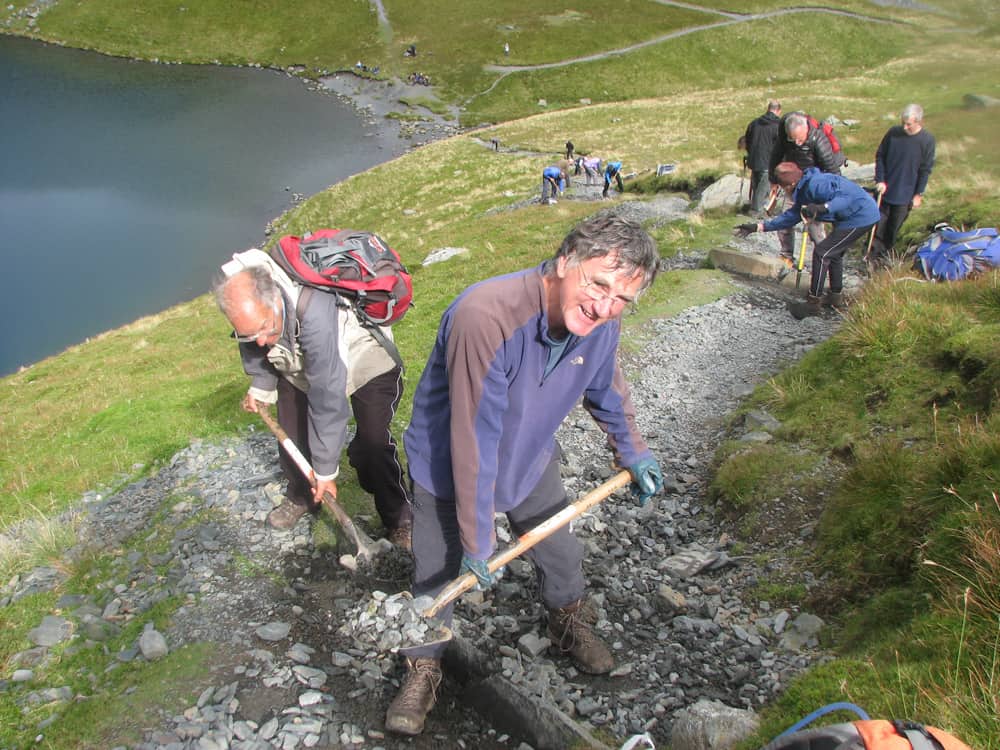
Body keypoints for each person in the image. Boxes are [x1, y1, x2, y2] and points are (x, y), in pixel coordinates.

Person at [384, 216, 665, 736]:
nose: (605, 306)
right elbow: (473, 433)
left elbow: (606, 384)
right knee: (436, 573)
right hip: (450, 469)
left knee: (559, 550)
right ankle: (423, 665)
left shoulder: (602, 320)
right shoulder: (485, 315)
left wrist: (634, 449)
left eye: (622, 298)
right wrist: (477, 534)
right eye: (598, 284)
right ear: (564, 263)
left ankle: (568, 621)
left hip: (529, 454)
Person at [212, 250, 413, 548]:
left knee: (373, 441)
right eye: (248, 334)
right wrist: (261, 385)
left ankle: (398, 517)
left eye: (264, 329)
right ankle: (302, 496)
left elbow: (328, 399)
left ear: (276, 301)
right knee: (291, 431)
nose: (260, 342)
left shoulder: (314, 311)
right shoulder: (253, 306)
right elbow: (255, 344)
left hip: (367, 357)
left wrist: (325, 472)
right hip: (301, 362)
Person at [735, 162, 879, 319]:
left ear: (790, 184)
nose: (783, 191)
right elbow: (790, 217)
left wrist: (822, 208)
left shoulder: (816, 184)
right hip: (849, 217)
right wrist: (757, 227)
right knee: (833, 253)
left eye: (783, 188)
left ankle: (813, 303)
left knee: (822, 252)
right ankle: (835, 298)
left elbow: (846, 197)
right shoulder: (803, 190)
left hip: (861, 216)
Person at [768, 112, 844, 264]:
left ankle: (824, 258)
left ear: (806, 129)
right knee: (785, 220)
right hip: (791, 184)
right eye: (792, 138)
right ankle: (786, 255)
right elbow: (775, 157)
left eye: (800, 139)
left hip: (813, 188)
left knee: (814, 226)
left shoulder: (819, 140)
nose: (796, 142)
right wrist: (773, 181)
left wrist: (837, 193)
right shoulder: (784, 135)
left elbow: (831, 168)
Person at [870, 103, 936, 266]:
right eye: (903, 123)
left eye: (909, 124)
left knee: (893, 228)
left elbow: (925, 169)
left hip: (905, 193)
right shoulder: (893, 133)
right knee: (878, 225)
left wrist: (918, 194)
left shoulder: (927, 140)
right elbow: (880, 156)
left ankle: (886, 260)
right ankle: (871, 258)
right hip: (885, 189)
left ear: (919, 122)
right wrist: (880, 179)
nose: (905, 127)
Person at [743, 100, 782, 215]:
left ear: (768, 109)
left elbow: (747, 140)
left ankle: (756, 209)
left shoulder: (754, 123)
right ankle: (757, 211)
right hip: (768, 161)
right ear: (778, 111)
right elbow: (780, 146)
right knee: (764, 187)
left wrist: (751, 153)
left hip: (754, 160)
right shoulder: (778, 126)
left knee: (757, 185)